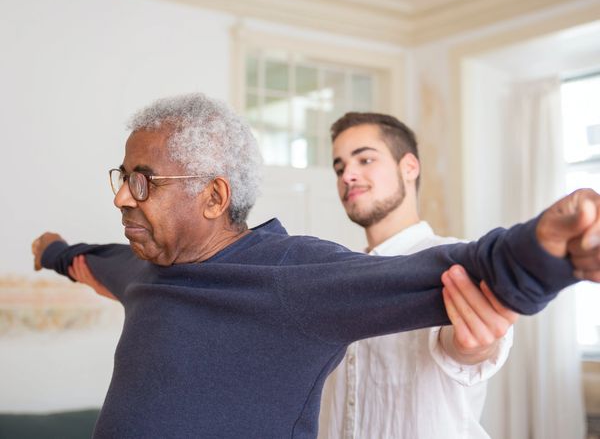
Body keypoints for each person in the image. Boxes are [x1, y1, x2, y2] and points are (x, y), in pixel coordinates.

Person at [31, 93, 600, 439]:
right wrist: (54, 252)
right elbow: (96, 263)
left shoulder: (292, 275)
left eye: (142, 182)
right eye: (122, 178)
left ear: (212, 197)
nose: (122, 199)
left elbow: (448, 271)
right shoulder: (143, 272)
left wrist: (553, 251)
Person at [320, 113, 518, 438]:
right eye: (339, 168)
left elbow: (466, 350)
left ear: (409, 167)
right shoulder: (337, 276)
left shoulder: (456, 262)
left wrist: (474, 346)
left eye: (365, 159)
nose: (348, 176)